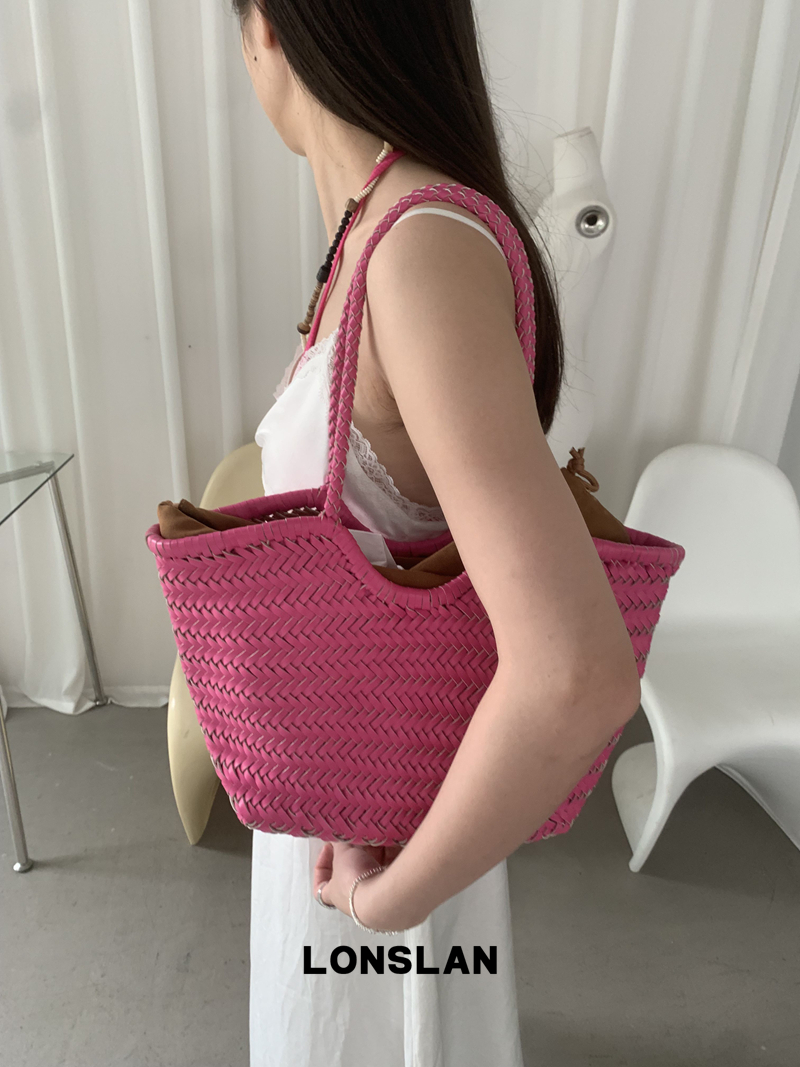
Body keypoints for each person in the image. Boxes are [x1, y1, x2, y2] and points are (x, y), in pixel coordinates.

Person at [235, 3, 642, 1065]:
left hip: (385, 833)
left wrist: (390, 900)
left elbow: (577, 673)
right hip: (356, 790)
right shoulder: (381, 226)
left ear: (265, 28)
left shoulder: (415, 252)